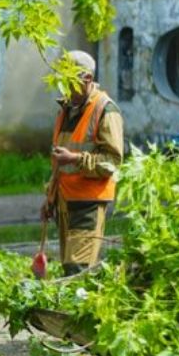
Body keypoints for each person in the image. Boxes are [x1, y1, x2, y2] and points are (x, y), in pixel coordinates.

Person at [43, 50, 125, 275]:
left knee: (77, 268)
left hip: (88, 202)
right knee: (70, 267)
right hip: (64, 201)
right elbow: (60, 163)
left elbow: (113, 163)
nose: (63, 88)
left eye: (68, 81)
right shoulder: (66, 109)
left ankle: (81, 309)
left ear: (87, 78)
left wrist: (76, 159)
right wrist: (50, 198)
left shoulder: (106, 110)